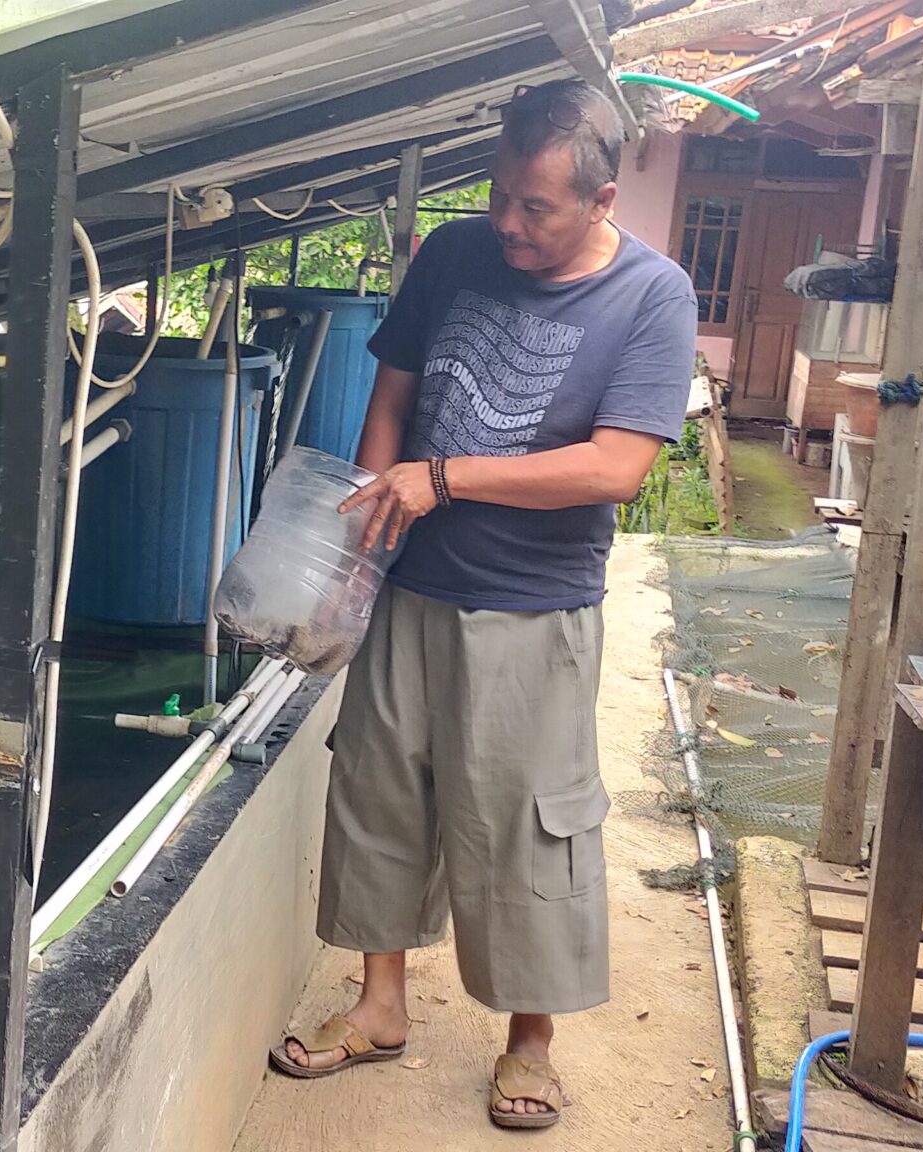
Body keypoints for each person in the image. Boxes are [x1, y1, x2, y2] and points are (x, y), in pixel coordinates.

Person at [264, 77, 696, 1130]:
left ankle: (530, 1041)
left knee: (526, 824)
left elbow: (614, 468)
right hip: (412, 583)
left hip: (530, 604)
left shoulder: (651, 297)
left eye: (535, 207)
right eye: (499, 194)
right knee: (377, 792)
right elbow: (396, 395)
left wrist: (441, 480)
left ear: (599, 203)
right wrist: (364, 531)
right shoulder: (456, 253)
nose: (508, 222)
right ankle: (380, 1006)